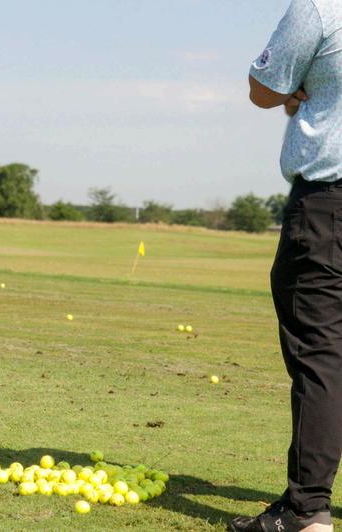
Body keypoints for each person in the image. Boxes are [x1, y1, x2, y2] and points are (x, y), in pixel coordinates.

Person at [234, 1, 342, 530]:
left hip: (329, 204)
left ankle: (306, 511)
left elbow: (263, 89)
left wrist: (296, 90)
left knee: (321, 352)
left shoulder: (320, 7)